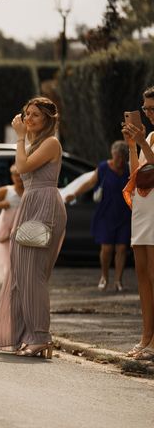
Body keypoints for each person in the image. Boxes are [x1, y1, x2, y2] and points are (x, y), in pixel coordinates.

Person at [0, 97, 67, 359]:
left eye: (35, 115)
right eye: (27, 114)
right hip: (30, 204)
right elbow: (23, 172)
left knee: (33, 274)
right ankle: (24, 334)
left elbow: (22, 167)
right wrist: (24, 138)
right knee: (21, 273)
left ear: (48, 119)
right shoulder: (34, 142)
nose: (29, 119)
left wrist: (19, 137)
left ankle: (40, 336)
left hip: (45, 205)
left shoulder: (51, 143)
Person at [65, 141, 131, 291]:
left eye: (122, 157)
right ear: (112, 154)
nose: (119, 161)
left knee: (121, 248)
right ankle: (104, 276)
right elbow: (89, 183)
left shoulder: (128, 169)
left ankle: (118, 281)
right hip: (106, 214)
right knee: (107, 248)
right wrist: (74, 193)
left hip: (124, 214)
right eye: (117, 157)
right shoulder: (103, 168)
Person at [121, 86, 154, 361]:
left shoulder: (150, 138)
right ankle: (146, 337)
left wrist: (142, 143)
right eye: (145, 109)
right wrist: (133, 145)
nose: (148, 113)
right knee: (142, 277)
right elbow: (136, 173)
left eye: (153, 108)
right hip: (142, 210)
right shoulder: (151, 136)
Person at [0, 164, 24, 285]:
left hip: (22, 229)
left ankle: (19, 278)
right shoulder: (7, 190)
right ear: (12, 176)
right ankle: (9, 280)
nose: (18, 179)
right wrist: (0, 205)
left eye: (21, 176)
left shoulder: (28, 191)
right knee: (7, 256)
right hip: (7, 229)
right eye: (16, 176)